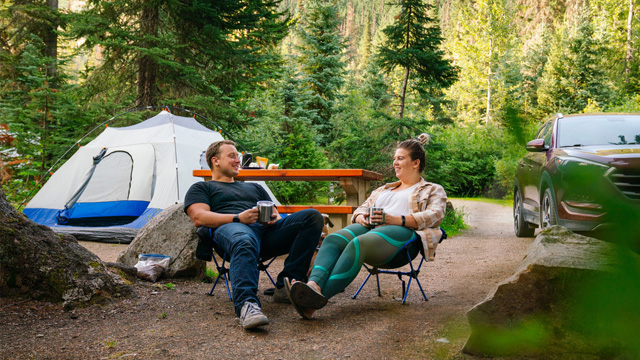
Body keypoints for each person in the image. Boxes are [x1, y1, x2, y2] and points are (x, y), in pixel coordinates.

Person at [285, 135, 447, 319]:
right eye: (394, 158)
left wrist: (397, 219)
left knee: (359, 243)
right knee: (332, 239)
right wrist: (362, 217)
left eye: (400, 158)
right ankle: (313, 286)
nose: (395, 162)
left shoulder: (432, 189)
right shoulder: (384, 189)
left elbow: (436, 215)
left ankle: (316, 300)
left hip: (403, 239)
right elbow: (361, 209)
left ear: (415, 163)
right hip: (371, 229)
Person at [184, 140, 323, 330]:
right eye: (232, 156)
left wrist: (274, 217)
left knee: (312, 217)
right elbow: (199, 217)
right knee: (244, 238)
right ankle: (247, 305)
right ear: (215, 161)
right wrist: (237, 218)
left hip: (264, 233)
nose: (237, 160)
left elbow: (275, 212)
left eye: (238, 157)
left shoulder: (254, 187)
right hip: (231, 229)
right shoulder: (202, 188)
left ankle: (286, 285)